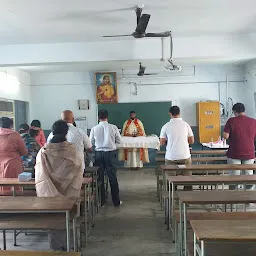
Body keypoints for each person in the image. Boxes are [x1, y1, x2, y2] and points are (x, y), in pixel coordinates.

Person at [35, 120, 83, 251]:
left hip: (49, 193)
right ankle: (71, 245)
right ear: (66, 132)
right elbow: (79, 170)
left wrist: (52, 188)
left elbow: (40, 175)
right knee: (69, 217)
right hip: (69, 192)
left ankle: (56, 246)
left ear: (52, 131)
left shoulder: (43, 152)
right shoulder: (73, 151)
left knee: (53, 216)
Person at [90, 109, 122, 207]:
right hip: (111, 153)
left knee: (100, 178)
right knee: (112, 177)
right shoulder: (113, 127)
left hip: (99, 154)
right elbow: (119, 140)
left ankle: (101, 201)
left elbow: (90, 143)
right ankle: (116, 201)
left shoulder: (94, 128)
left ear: (98, 117)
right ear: (107, 117)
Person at [160, 106, 194, 190]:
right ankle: (188, 196)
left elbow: (162, 142)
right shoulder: (186, 125)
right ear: (179, 113)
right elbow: (191, 141)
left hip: (171, 156)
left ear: (169, 114)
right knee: (187, 178)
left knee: (171, 179)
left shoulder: (165, 126)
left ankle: (171, 195)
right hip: (184, 155)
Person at [223, 103, 256, 190]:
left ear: (234, 111)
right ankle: (248, 198)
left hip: (234, 153)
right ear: (244, 111)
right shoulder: (253, 121)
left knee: (234, 177)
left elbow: (225, 136)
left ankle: (233, 199)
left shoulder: (231, 121)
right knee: (249, 176)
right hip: (249, 153)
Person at [0, 117, 28, 194]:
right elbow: (24, 152)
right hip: (12, 164)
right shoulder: (15, 135)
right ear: (11, 125)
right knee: (15, 189)